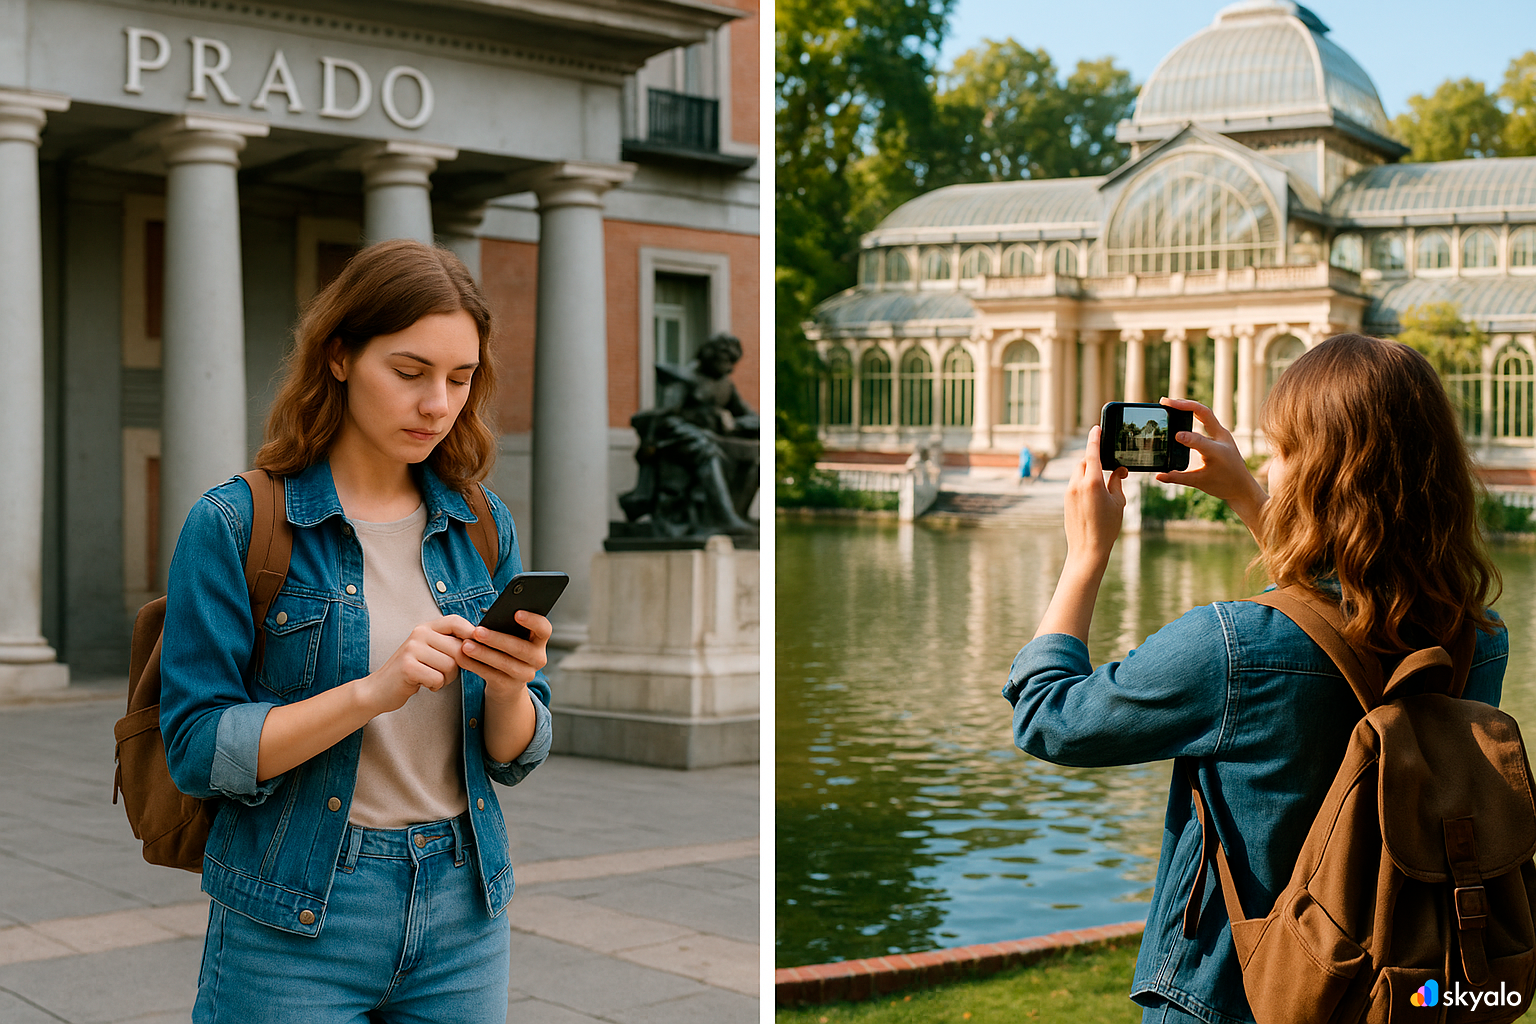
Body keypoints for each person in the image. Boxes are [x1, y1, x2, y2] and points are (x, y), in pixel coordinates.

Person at [1002, 334, 1507, 1024]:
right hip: (1397, 981)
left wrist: (1085, 555)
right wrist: (1247, 495)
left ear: (1320, 471)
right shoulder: (1477, 640)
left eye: (1284, 450)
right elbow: (1342, 623)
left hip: (1235, 992)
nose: (1274, 464)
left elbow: (1049, 718)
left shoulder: (1231, 646)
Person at [159, 239, 553, 1024]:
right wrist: (375, 691)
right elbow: (198, 750)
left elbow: (517, 753)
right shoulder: (236, 523)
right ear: (338, 356)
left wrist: (511, 688)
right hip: (294, 913)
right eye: (410, 373)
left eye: (460, 378)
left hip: (463, 908)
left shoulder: (479, 523)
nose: (438, 404)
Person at [619, 332, 759, 535]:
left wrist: (734, 425)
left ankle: (738, 513)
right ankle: (723, 517)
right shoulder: (682, 379)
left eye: (732, 362)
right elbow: (666, 417)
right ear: (710, 355)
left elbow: (753, 418)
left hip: (712, 438)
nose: (729, 367)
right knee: (706, 449)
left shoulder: (726, 385)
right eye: (725, 360)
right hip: (675, 439)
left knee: (758, 455)